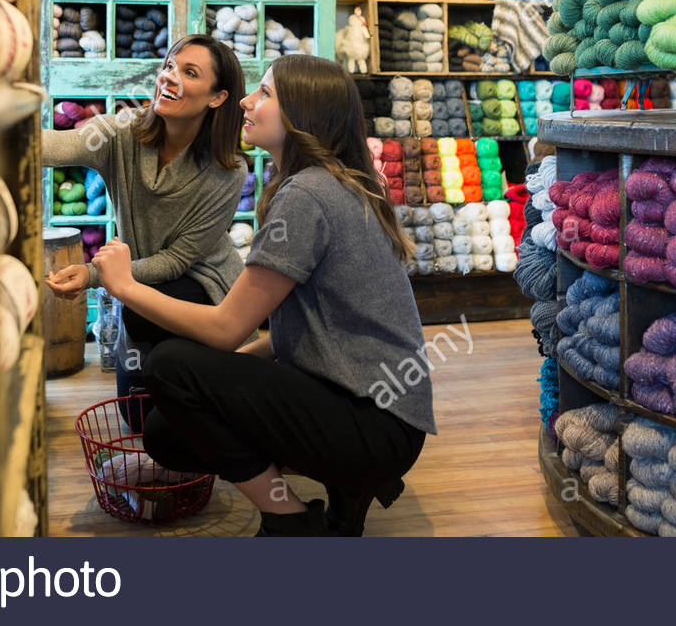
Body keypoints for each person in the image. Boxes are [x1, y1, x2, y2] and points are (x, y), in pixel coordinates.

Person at [91, 54, 435, 537]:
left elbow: (226, 330)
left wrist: (123, 284)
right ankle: (344, 485)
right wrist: (224, 386)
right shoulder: (333, 183)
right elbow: (300, 327)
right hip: (379, 414)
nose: (248, 102)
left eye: (267, 93)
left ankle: (288, 518)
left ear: (304, 114)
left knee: (170, 365)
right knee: (169, 428)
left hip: (372, 423)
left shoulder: (307, 195)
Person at [43, 35, 246, 428]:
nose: (169, 77)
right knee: (137, 418)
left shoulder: (227, 169)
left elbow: (177, 261)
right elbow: (55, 146)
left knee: (142, 324)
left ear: (217, 97)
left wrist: (93, 275)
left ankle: (202, 382)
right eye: (170, 66)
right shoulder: (122, 133)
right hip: (138, 285)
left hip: (202, 285)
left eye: (189, 72)